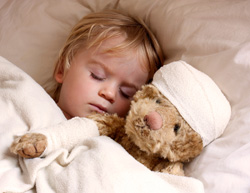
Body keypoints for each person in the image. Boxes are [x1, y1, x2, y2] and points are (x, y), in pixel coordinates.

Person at [51, 9, 164, 119]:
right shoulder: (35, 101)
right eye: (97, 76)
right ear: (62, 69)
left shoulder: (112, 138)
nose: (110, 94)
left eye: (126, 93)